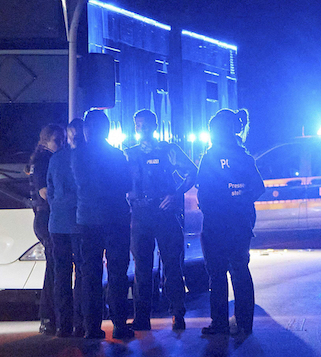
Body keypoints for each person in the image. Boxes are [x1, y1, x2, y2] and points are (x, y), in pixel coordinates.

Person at [125, 109, 198, 331]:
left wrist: (176, 194)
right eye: (138, 125)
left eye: (146, 124)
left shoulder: (169, 150)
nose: (141, 129)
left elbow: (191, 172)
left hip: (164, 213)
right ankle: (142, 317)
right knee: (142, 268)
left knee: (172, 265)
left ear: (155, 126)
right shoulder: (129, 153)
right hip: (140, 214)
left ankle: (177, 313)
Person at [196, 109, 265, 337]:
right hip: (240, 223)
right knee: (239, 270)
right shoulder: (244, 158)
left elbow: (202, 190)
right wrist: (240, 200)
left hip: (216, 224)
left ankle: (220, 324)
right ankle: (245, 324)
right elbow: (258, 187)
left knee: (217, 274)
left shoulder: (211, 157)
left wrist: (214, 206)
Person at [72, 109, 134, 340]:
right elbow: (127, 184)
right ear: (107, 130)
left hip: (87, 219)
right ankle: (119, 324)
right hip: (115, 218)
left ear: (87, 129)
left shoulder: (76, 155)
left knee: (89, 273)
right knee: (117, 272)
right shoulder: (116, 155)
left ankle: (91, 327)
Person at [47, 118, 86, 337]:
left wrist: (56, 205)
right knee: (82, 272)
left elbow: (50, 189)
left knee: (60, 273)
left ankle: (63, 323)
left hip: (57, 223)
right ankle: (81, 321)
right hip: (79, 223)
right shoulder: (85, 158)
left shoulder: (56, 158)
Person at [29, 123, 66, 335]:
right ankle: (48, 316)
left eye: (62, 140)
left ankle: (49, 316)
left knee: (54, 267)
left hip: (44, 218)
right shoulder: (45, 160)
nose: (60, 145)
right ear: (45, 141)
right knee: (54, 269)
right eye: (57, 141)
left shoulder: (41, 159)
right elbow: (44, 192)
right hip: (47, 218)